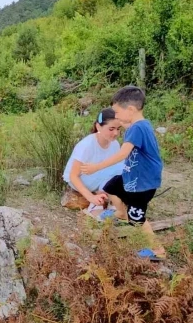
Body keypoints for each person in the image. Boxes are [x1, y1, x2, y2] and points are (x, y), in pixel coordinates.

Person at [79, 86, 165, 258]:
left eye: (117, 112)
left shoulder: (136, 128)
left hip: (143, 183)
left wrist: (96, 167)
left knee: (137, 218)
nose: (116, 116)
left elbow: (123, 154)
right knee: (111, 187)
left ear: (131, 110)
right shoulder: (139, 124)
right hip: (133, 177)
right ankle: (120, 212)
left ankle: (158, 251)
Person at [62, 108, 124, 219]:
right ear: (98, 126)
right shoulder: (87, 145)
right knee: (121, 166)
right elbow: (73, 176)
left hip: (100, 177)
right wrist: (90, 197)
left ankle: (108, 201)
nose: (116, 133)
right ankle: (95, 205)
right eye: (111, 129)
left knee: (124, 165)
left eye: (118, 129)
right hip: (81, 179)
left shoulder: (114, 144)